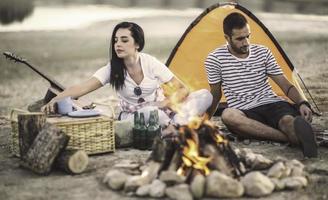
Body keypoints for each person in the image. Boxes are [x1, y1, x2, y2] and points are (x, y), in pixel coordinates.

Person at [42, 21, 212, 126]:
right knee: (151, 115)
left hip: (162, 109)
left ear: (137, 44)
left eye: (124, 40)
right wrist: (56, 99)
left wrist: (164, 104)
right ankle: (178, 124)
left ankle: (175, 123)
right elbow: (81, 88)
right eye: (116, 40)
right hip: (133, 116)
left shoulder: (150, 63)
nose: (118, 45)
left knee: (205, 95)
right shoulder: (112, 68)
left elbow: (182, 90)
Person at [204, 12, 317, 158]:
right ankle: (289, 138)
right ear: (227, 38)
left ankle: (298, 137)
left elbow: (285, 84)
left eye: (247, 36)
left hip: (272, 104)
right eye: (239, 39)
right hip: (243, 111)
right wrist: (205, 121)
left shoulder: (263, 52)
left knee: (288, 122)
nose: (246, 42)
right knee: (228, 115)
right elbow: (216, 94)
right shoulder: (214, 59)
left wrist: (302, 102)